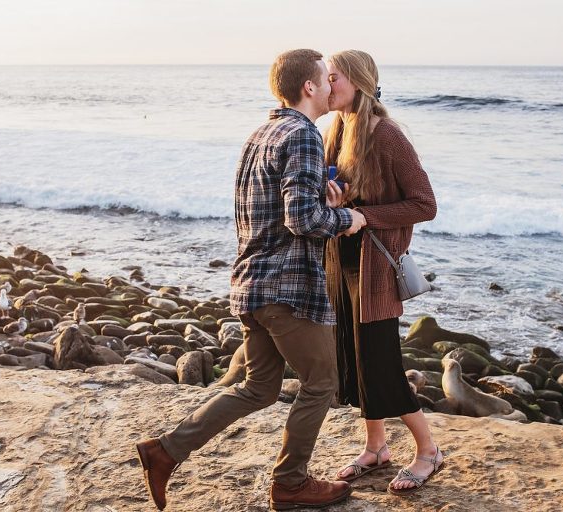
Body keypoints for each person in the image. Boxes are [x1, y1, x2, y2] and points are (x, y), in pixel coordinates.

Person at [135, 48, 367, 511]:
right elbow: (302, 218)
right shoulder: (302, 134)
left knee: (258, 387)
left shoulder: (261, 132)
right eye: (324, 78)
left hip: (250, 283)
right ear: (309, 87)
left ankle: (165, 451)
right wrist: (348, 219)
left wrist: (322, 198)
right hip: (287, 289)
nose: (328, 85)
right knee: (322, 382)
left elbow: (272, 207)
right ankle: (291, 483)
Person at [322, 50, 444, 496]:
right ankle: (376, 447)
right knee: (353, 363)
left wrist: (365, 216)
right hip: (341, 264)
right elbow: (342, 197)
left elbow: (424, 204)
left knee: (383, 366)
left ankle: (428, 450)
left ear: (356, 82)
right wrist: (335, 200)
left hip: (375, 270)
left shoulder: (388, 135)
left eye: (332, 77)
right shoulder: (336, 127)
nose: (324, 84)